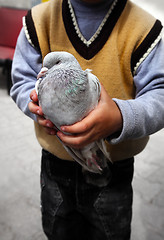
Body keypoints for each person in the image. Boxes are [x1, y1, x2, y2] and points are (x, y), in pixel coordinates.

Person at [10, 0, 164, 239]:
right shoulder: (39, 20)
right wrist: (35, 105)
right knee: (58, 231)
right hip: (55, 163)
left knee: (111, 233)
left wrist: (121, 117)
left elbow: (161, 92)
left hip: (114, 164)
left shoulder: (144, 27)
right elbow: (22, 79)